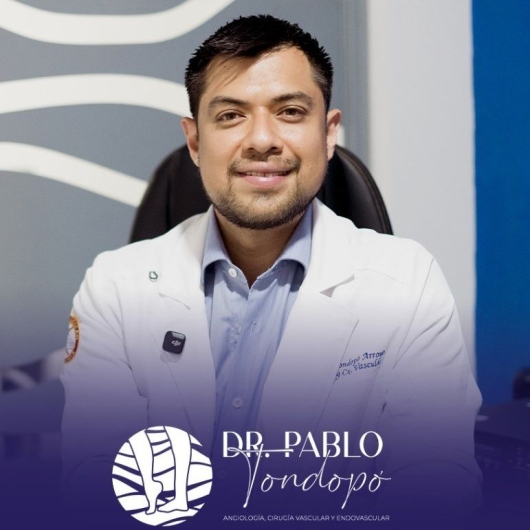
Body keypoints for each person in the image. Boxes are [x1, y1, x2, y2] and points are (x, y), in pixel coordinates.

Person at [61, 14, 482, 524]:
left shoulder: (407, 282)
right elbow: (98, 483)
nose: (262, 139)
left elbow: (437, 486)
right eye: (230, 115)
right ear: (194, 142)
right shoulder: (114, 287)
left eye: (290, 111)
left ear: (329, 132)